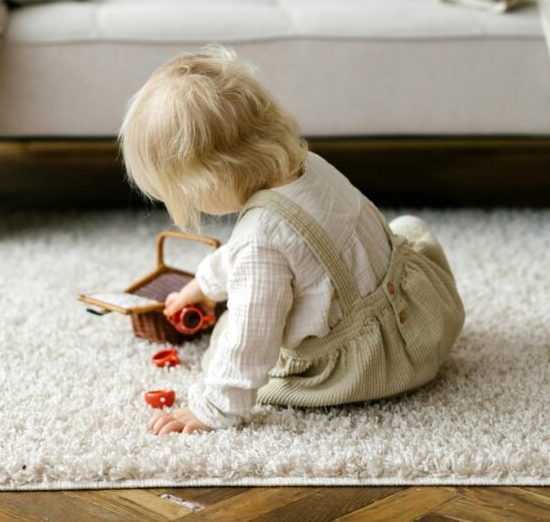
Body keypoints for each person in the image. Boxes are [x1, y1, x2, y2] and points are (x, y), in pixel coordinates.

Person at [117, 44, 466, 436]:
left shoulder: (259, 241)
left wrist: (212, 409)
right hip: (418, 319)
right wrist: (205, 284)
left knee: (230, 336)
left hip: (370, 365)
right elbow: (261, 251)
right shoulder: (307, 166)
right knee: (404, 227)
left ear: (211, 180)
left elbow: (252, 339)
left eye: (184, 195)